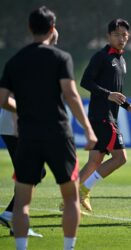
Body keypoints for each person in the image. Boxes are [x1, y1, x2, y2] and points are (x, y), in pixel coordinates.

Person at [0, 6, 97, 250]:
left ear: (29, 28)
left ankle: (20, 247)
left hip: (28, 136)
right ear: (52, 29)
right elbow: (71, 96)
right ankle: (68, 247)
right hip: (57, 134)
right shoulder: (60, 57)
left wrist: (21, 108)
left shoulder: (15, 61)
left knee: (22, 201)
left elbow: (1, 99)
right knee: (70, 196)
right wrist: (87, 128)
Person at [78, 18, 131, 212]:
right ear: (108, 36)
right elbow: (85, 82)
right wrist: (108, 95)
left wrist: (129, 107)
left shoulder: (121, 60)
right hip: (102, 116)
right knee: (120, 158)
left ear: (128, 36)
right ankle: (83, 190)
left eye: (124, 35)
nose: (121, 38)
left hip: (107, 116)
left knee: (94, 161)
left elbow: (116, 93)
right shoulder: (101, 56)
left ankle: (69, 199)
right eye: (116, 34)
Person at [0, 27, 59, 237]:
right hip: (16, 126)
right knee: (33, 173)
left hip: (14, 125)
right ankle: (12, 217)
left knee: (32, 173)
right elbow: (7, 98)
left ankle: (12, 216)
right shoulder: (34, 61)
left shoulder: (26, 58)